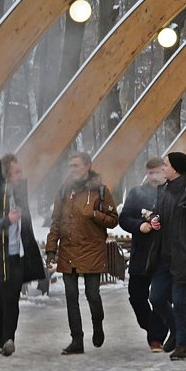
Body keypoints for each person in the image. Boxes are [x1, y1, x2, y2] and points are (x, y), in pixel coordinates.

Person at [46, 152, 118, 355]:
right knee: (71, 297)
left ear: (88, 166)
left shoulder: (100, 191)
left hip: (91, 249)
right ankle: (77, 339)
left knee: (92, 294)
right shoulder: (63, 192)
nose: (72, 169)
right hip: (68, 249)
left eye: (76, 165)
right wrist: (51, 250)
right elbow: (56, 222)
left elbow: (114, 219)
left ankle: (98, 324)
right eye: (70, 166)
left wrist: (95, 214)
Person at [0, 155, 45, 357]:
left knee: (12, 301)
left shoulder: (20, 198)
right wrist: (6, 220)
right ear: (5, 175)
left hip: (16, 258)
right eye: (16, 172)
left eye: (20, 171)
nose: (20, 175)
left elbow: (27, 228)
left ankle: (9, 339)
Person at [145, 152, 186, 361]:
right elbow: (157, 212)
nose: (162, 168)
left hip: (183, 256)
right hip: (163, 256)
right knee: (155, 297)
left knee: (181, 301)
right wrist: (155, 219)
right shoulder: (163, 190)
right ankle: (175, 330)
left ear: (175, 168)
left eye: (165, 165)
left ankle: (183, 345)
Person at [118, 158, 170, 352]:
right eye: (150, 173)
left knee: (159, 297)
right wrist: (140, 226)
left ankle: (156, 338)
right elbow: (124, 218)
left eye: (157, 172)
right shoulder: (136, 193)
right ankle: (151, 327)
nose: (154, 176)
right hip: (142, 253)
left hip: (164, 254)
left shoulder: (172, 192)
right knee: (136, 296)